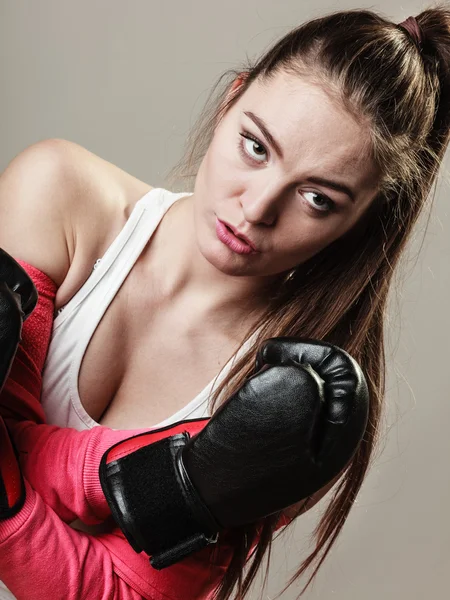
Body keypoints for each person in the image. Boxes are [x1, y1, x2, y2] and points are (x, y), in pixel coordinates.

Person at [0, 5, 449, 599]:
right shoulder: (58, 195)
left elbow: (116, 595)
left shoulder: (295, 402)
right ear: (229, 102)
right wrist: (162, 477)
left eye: (317, 198)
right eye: (255, 147)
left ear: (363, 221)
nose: (257, 207)